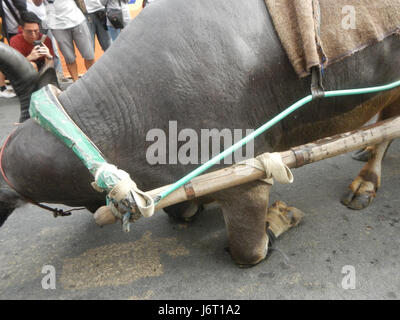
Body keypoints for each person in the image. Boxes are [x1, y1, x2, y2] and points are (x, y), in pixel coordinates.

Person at [36, 0, 95, 82]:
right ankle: (76, 83)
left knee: (89, 55)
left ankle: (93, 80)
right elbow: (37, 3)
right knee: (69, 58)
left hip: (76, 19)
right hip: (56, 25)